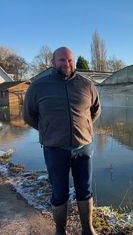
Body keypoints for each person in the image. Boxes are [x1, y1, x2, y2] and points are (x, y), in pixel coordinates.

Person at [23, 47, 101, 235]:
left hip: (83, 147)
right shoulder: (38, 87)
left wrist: (83, 129)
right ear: (53, 62)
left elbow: (95, 111)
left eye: (70, 60)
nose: (67, 64)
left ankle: (87, 229)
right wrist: (50, 131)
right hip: (55, 149)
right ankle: (60, 230)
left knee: (85, 189)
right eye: (62, 60)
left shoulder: (86, 85)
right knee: (59, 192)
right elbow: (29, 116)